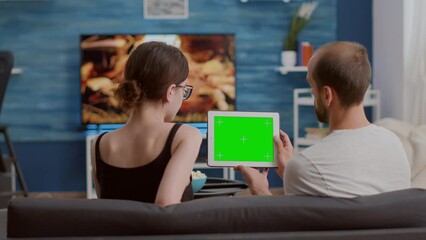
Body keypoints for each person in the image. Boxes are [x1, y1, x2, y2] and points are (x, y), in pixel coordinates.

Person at [236, 41, 411, 198]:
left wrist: (259, 188)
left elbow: (284, 229)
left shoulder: (306, 165)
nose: (313, 95)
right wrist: (290, 171)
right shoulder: (393, 144)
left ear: (327, 95)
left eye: (312, 87)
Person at [91, 41, 202, 207]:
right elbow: (166, 205)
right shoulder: (185, 135)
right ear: (171, 92)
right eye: (184, 90)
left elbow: (109, 212)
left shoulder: (99, 143)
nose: (182, 97)